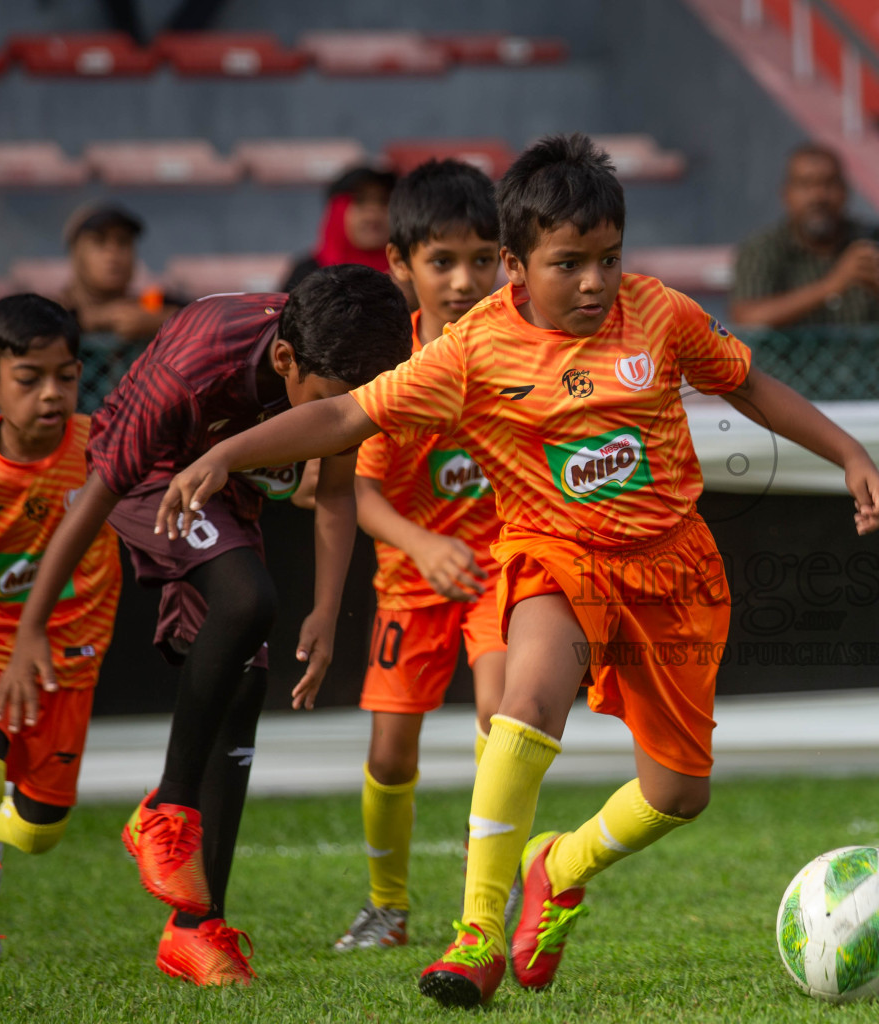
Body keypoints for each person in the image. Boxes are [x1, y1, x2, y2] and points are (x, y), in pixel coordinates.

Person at [153, 132, 879, 1009]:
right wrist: (224, 455)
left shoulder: (661, 315)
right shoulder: (472, 352)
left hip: (675, 572)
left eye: (608, 260)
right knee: (524, 702)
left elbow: (750, 386)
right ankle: (477, 933)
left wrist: (849, 453)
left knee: (679, 793)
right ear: (516, 265)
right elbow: (345, 418)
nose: (593, 283)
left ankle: (561, 864)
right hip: (556, 558)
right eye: (569, 264)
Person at [0, 266, 412, 985]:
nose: (350, 413)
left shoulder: (346, 360)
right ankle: (166, 807)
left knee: (244, 686)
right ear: (285, 364)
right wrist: (31, 625)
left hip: (229, 486)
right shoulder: (192, 370)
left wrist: (326, 610)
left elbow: (336, 488)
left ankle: (195, 929)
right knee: (246, 600)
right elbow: (94, 497)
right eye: (337, 400)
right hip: (153, 475)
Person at [332, 159, 507, 953]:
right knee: (389, 751)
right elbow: (357, 496)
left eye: (482, 259)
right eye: (442, 261)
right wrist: (425, 543)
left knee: (503, 720)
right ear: (401, 266)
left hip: (505, 571)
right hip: (413, 579)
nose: (464, 280)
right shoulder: (384, 368)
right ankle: (387, 908)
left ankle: (483, 905)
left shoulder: (519, 351)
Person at [0, 295, 122, 971]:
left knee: (37, 834)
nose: (52, 393)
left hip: (70, 661)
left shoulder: (107, 446)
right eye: (30, 379)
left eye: (65, 374)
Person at [730, 143, 879, 328]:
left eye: (829, 183)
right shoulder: (763, 247)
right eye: (805, 185)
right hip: (789, 375)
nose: (818, 196)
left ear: (845, 192)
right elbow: (746, 317)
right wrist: (832, 285)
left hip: (869, 373)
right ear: (786, 194)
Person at [59, 202, 183, 344]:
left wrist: (162, 322)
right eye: (99, 242)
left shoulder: (149, 304)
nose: (113, 254)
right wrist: (97, 318)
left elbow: (204, 317)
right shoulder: (53, 310)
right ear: (77, 254)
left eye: (123, 242)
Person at [281, 166, 397, 292]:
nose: (373, 214)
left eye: (384, 201)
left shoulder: (411, 276)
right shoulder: (306, 277)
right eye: (360, 201)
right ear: (336, 213)